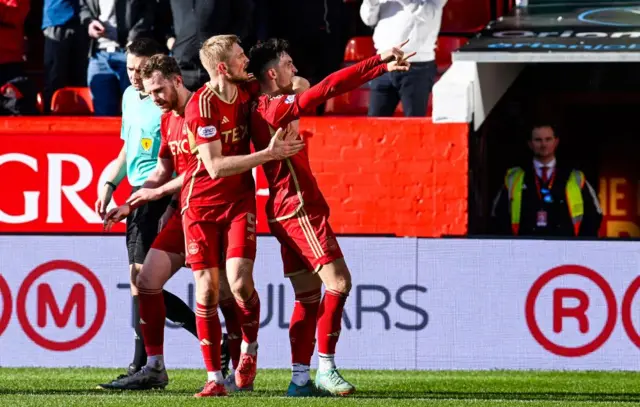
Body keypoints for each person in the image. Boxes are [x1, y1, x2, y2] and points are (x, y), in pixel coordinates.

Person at [247, 38, 413, 396]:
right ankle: (326, 368)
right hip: (297, 208)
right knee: (339, 283)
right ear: (273, 73)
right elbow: (327, 86)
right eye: (289, 63)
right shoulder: (274, 107)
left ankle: (299, 380)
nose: (296, 69)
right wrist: (379, 63)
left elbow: (309, 84)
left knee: (307, 298)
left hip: (285, 207)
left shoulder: (264, 104)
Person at [101, 54, 236, 391]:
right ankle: (154, 366)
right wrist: (130, 202)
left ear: (177, 80)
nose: (155, 98)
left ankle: (242, 357)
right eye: (150, 93)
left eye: (159, 90)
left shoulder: (199, 111)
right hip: (185, 210)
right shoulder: (167, 119)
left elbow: (202, 169)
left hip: (215, 211)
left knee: (228, 294)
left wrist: (154, 195)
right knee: (146, 280)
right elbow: (162, 169)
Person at [182, 34, 304, 397]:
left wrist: (294, 101)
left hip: (238, 203)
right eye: (239, 57)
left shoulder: (248, 88)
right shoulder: (200, 106)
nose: (246, 61)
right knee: (206, 292)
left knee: (238, 283)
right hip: (201, 206)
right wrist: (269, 154)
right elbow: (216, 167)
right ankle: (214, 379)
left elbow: (296, 82)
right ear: (222, 67)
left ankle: (249, 347)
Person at [94, 39, 199, 389]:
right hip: (140, 194)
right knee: (142, 283)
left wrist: (161, 200)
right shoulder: (129, 98)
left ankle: (147, 363)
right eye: (129, 70)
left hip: (166, 194)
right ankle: (148, 362)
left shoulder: (167, 101)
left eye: (140, 70)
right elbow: (128, 150)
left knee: (145, 281)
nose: (134, 77)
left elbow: (172, 162)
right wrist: (108, 183)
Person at [491, 124, 603, 237]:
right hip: (525, 248)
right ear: (530, 144)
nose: (543, 144)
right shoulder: (513, 178)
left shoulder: (576, 178)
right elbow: (498, 217)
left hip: (566, 249)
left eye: (548, 139)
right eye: (538, 140)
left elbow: (595, 215)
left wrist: (579, 245)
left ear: (556, 142)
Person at [360, 0, 446, 117]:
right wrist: (371, 3)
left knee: (414, 126)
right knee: (374, 125)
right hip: (384, 63)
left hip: (416, 66)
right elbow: (369, 20)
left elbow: (429, 15)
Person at [80, 0, 159, 115]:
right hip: (99, 55)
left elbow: (149, 10)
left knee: (137, 111)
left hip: (130, 54)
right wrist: (90, 22)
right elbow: (83, 7)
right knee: (103, 115)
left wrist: (134, 36)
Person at [161, 0, 254, 91]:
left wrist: (227, 46)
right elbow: (161, 16)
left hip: (219, 68)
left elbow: (244, 18)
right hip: (183, 67)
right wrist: (169, 39)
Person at [41, 0, 88, 113]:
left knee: (80, 77)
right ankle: (50, 116)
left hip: (82, 20)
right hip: (57, 19)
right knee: (54, 76)